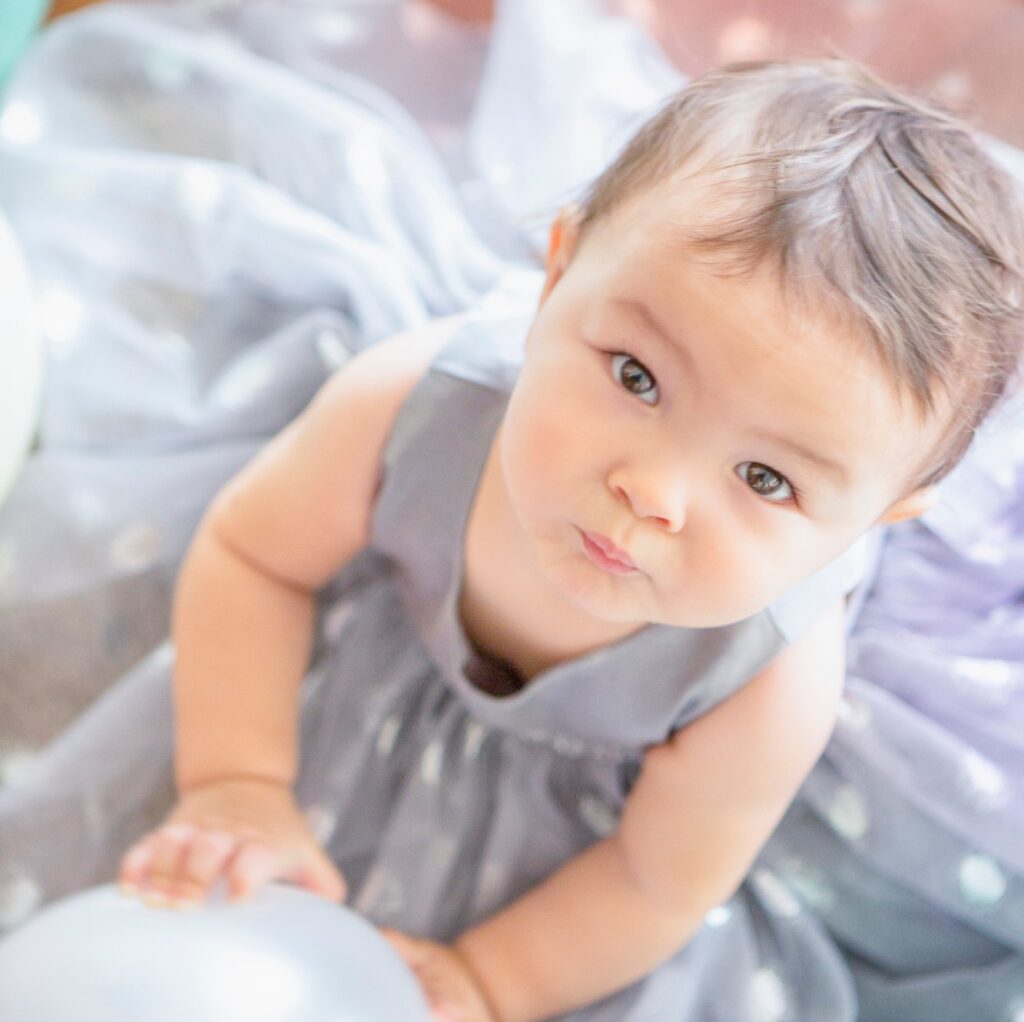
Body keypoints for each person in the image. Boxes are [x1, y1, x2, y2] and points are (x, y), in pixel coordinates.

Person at [5, 58, 1023, 1021]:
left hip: (591, 805)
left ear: (867, 523)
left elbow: (652, 878)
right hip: (389, 651)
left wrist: (490, 977)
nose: (653, 492)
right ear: (554, 278)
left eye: (765, 479)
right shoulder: (412, 406)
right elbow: (252, 554)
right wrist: (238, 779)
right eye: (635, 376)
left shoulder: (768, 677)